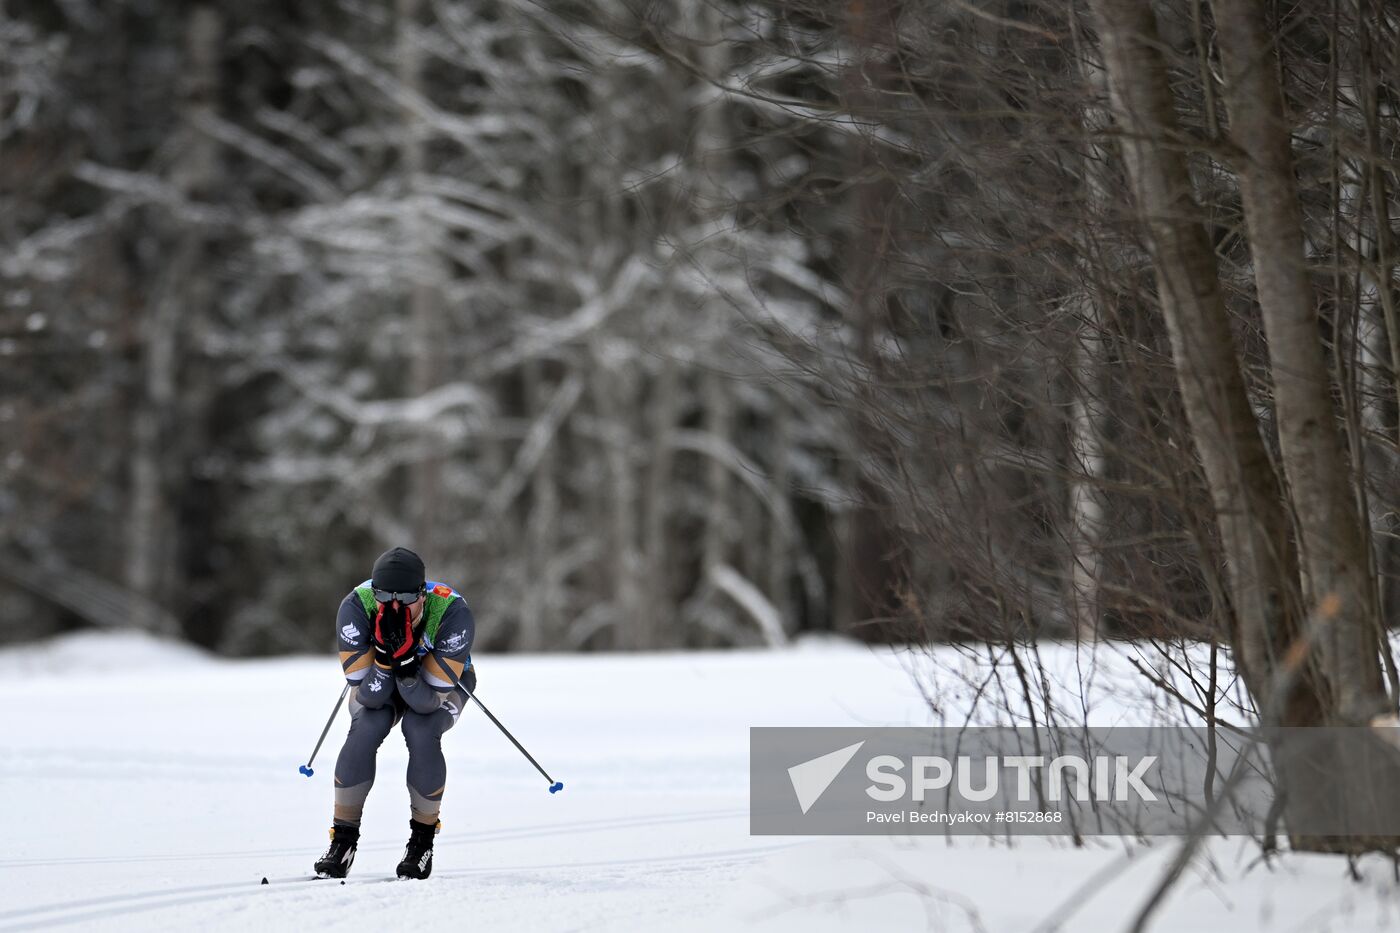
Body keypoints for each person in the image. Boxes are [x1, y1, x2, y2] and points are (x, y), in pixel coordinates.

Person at [313, 546, 477, 880]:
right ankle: (342, 841)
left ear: (422, 593)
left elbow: (426, 702)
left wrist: (404, 663)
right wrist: (389, 660)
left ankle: (422, 842)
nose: (393, 606)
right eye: (384, 595)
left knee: (421, 728)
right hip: (381, 680)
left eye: (404, 596)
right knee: (367, 723)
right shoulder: (356, 606)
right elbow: (369, 697)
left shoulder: (451, 612)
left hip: (437, 687)